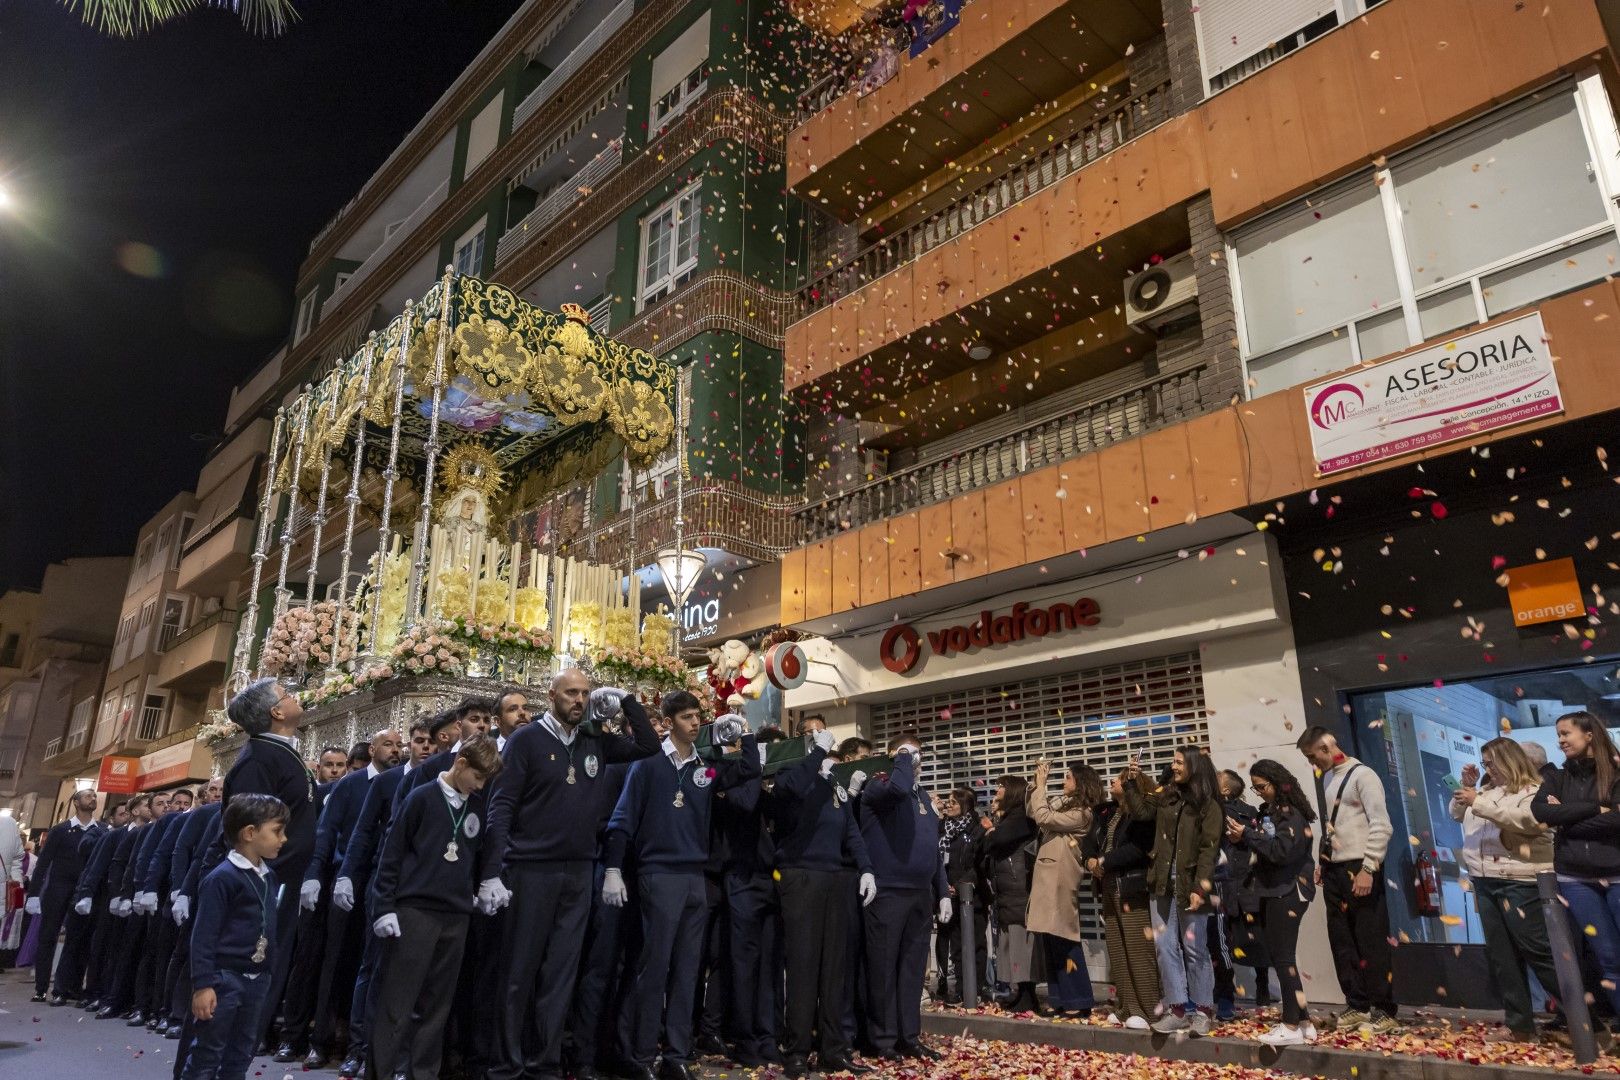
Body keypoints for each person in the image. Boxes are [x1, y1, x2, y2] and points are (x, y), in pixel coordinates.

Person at [479, 675, 659, 1080]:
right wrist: (493, 872)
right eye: (571, 693)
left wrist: (628, 699)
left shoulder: (594, 740)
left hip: (579, 870)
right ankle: (507, 1064)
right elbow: (501, 808)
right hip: (530, 868)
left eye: (585, 694)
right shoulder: (526, 740)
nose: (579, 701)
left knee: (560, 973)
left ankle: (544, 1065)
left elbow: (648, 746)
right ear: (552, 696)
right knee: (518, 972)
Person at [602, 700, 760, 1080]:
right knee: (654, 968)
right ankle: (641, 1057)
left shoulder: (703, 766)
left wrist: (746, 732)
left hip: (694, 877)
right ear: (668, 722)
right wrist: (612, 869)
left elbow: (751, 769)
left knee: (689, 971)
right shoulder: (648, 763)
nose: (695, 723)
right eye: (687, 718)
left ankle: (675, 1056)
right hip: (657, 873)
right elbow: (622, 820)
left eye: (698, 718)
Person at [368, 736, 503, 1080]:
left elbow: (477, 855)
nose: (481, 786)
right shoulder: (421, 798)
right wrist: (383, 907)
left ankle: (422, 1074)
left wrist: (482, 887)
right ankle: (380, 1073)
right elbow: (391, 855)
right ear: (460, 763)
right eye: (478, 777)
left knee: (437, 1008)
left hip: (456, 916)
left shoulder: (474, 805)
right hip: (416, 912)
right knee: (397, 1005)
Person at [287, 727, 403, 1069]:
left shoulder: (401, 782)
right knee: (333, 963)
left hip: (380, 882)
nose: (395, 750)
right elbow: (326, 831)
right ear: (372, 749)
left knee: (366, 965)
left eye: (399, 744)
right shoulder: (349, 785)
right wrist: (314, 876)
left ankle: (357, 1044)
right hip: (345, 881)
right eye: (388, 744)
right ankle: (318, 1041)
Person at [770, 726, 873, 1078]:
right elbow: (794, 788)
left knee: (834, 970)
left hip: (833, 878)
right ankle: (796, 1050)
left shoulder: (832, 782)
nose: (822, 744)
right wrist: (814, 756)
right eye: (813, 739)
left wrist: (866, 869)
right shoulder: (789, 774)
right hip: (800, 874)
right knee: (803, 966)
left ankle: (833, 1048)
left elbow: (851, 831)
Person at [220, 677, 318, 1047]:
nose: (294, 697)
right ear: (277, 712)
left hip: (285, 877)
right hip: (266, 881)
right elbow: (248, 826)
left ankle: (247, 1040)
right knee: (253, 964)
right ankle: (235, 1043)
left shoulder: (281, 751)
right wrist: (265, 876)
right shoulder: (258, 759)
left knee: (271, 966)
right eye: (286, 695)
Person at [1453, 736, 1558, 1044]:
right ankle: (1520, 1025)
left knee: (1539, 952)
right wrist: (1464, 789)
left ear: (1509, 761)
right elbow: (1457, 814)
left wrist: (1478, 802)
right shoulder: (1484, 791)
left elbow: (1526, 821)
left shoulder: (1533, 791)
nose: (1489, 769)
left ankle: (1583, 1017)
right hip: (1484, 880)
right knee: (1503, 957)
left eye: (1492, 763)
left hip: (1519, 879)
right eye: (1485, 763)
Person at [1296, 726, 1397, 1034]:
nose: (1313, 764)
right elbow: (1334, 825)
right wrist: (1323, 860)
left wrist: (1369, 868)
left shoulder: (1363, 776)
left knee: (1370, 938)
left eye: (1313, 757)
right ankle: (1358, 1003)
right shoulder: (1328, 777)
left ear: (1327, 747)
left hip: (1360, 864)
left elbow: (1381, 825)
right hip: (1335, 867)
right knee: (1342, 939)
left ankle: (1384, 1009)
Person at [182, 793, 289, 1080]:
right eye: (277, 831)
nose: (284, 839)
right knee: (208, 1053)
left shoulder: (268, 876)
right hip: (224, 979)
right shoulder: (222, 878)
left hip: (257, 979)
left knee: (241, 1053)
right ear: (250, 833)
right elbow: (203, 936)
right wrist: (203, 985)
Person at [859, 732, 949, 1062]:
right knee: (883, 969)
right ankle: (881, 1039)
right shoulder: (880, 788)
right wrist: (899, 759)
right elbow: (897, 786)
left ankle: (907, 1036)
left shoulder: (923, 797)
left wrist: (942, 891)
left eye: (918, 756)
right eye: (908, 755)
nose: (915, 762)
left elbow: (933, 850)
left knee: (912, 971)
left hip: (918, 895)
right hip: (887, 891)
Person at [1120, 746, 1222, 1035]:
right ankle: (1177, 1008)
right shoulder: (1166, 797)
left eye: (1179, 762)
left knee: (1195, 949)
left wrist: (1200, 888)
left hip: (1191, 885)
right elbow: (1140, 812)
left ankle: (1202, 1010)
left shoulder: (1207, 805)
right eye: (1173, 762)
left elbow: (1208, 849)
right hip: (1162, 881)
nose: (1173, 767)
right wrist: (1131, 781)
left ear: (1193, 765)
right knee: (1165, 947)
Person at [1534, 711, 1620, 1028]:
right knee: (1609, 956)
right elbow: (1541, 812)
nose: (1560, 740)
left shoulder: (1616, 771)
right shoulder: (1556, 776)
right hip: (1575, 878)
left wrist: (1566, 816)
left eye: (1566, 733)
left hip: (1617, 871)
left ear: (1589, 735)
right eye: (1558, 734)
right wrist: (1598, 808)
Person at [1228, 759, 1318, 1046]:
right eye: (1255, 789)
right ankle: (1303, 1021)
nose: (1260, 794)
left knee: (1282, 958)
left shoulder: (1290, 814)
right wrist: (1243, 838)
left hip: (1287, 890)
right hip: (1270, 890)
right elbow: (1264, 847)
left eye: (1262, 787)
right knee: (1283, 957)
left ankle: (1290, 1023)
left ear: (1278, 782)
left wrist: (1248, 835)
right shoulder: (1269, 812)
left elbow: (1281, 851)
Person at [1085, 770, 1159, 1030]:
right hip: (1108, 884)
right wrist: (1091, 859)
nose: (1112, 782)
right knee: (1117, 947)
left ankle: (1148, 1008)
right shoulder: (1108, 814)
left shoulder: (1142, 815)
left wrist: (1105, 861)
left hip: (1131, 885)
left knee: (1138, 949)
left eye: (1118, 779)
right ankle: (1127, 1006)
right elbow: (1091, 842)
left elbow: (1139, 848)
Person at [1028, 760, 1099, 1019]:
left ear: (1080, 783)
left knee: (1065, 936)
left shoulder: (1083, 813)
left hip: (1061, 877)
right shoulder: (1065, 803)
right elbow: (1033, 810)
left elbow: (1043, 816)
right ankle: (1059, 996)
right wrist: (1037, 786)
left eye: (1068, 778)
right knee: (1050, 937)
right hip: (1048, 875)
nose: (1064, 782)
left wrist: (1042, 788)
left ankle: (1079, 998)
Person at [24, 788, 103, 1003]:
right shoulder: (61, 830)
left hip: (83, 891)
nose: (93, 798)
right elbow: (43, 862)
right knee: (48, 937)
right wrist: (33, 895)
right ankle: (41, 987)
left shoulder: (101, 830)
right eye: (88, 795)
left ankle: (71, 987)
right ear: (76, 802)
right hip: (58, 890)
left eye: (95, 796)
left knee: (78, 939)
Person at [980, 774, 1042, 1015]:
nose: (997, 790)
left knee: (1022, 943)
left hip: (1018, 889)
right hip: (1006, 889)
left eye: (1002, 786)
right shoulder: (1007, 818)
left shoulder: (1022, 817)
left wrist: (992, 833)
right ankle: (1020, 992)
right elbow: (987, 845)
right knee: (1011, 944)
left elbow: (999, 838)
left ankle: (1028, 995)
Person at [1214, 768, 1272, 1017]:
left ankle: (1226, 990)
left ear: (1225, 790)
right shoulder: (1252, 814)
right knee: (1253, 937)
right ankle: (1262, 989)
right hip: (1246, 884)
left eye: (1217, 778)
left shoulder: (1219, 812)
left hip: (1231, 882)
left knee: (1225, 941)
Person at [937, 786, 987, 1004]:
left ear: (966, 805)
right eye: (948, 801)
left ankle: (976, 987)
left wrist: (959, 884)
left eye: (953, 802)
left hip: (971, 896)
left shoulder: (977, 829)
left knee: (974, 943)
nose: (949, 805)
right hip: (949, 895)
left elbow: (979, 863)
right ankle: (959, 987)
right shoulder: (943, 828)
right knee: (956, 945)